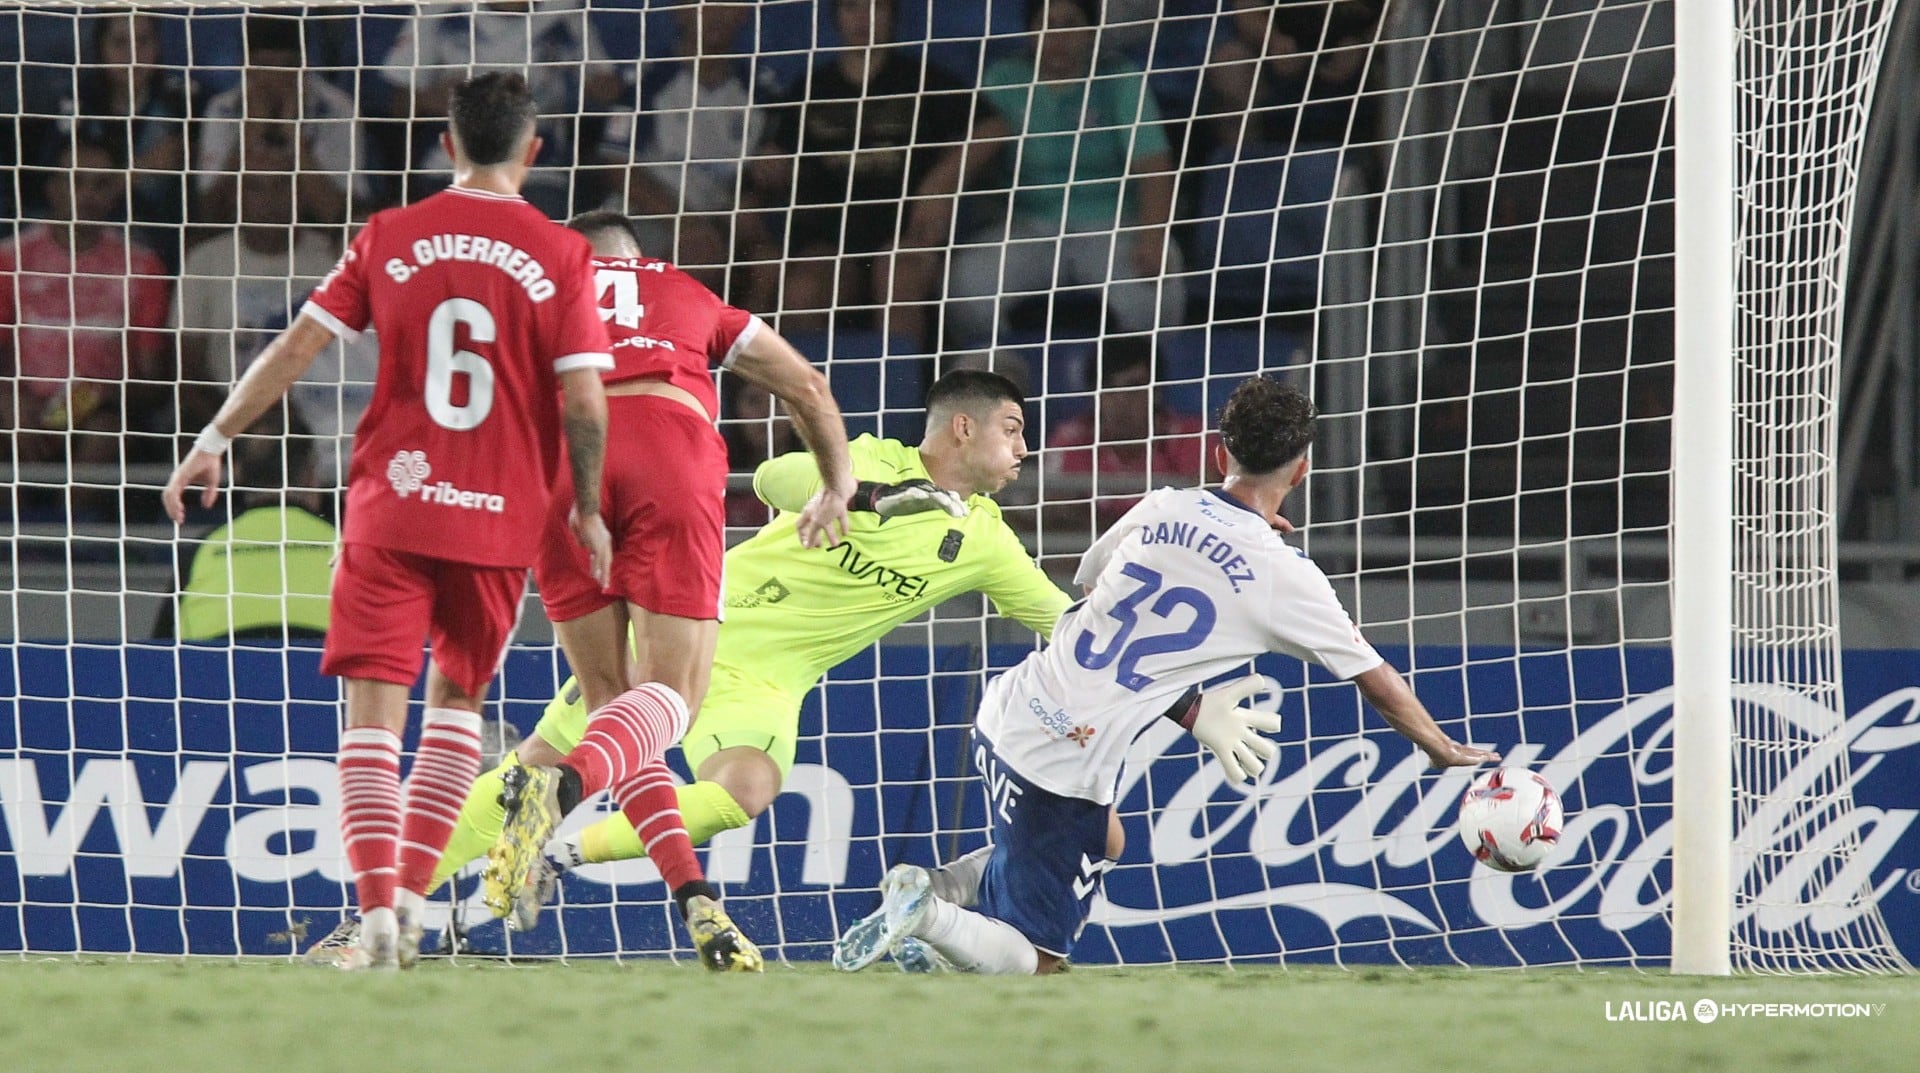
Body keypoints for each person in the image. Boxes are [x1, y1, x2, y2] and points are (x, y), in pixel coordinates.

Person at [160, 72, 628, 973]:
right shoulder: (563, 255)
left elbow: (295, 347)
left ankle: (375, 915)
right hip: (496, 520)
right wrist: (586, 506)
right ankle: (412, 896)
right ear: (533, 152)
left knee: (371, 724)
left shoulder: (389, 234)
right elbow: (584, 402)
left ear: (446, 145)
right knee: (457, 711)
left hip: (391, 506)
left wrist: (215, 437)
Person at [832, 376, 1498, 975]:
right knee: (1038, 960)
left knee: (1108, 836)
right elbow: (1374, 677)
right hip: (1060, 759)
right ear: (1301, 470)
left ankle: (937, 885)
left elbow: (1090, 585)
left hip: (1009, 707)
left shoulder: (1163, 505)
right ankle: (929, 917)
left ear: (1218, 455)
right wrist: (1438, 745)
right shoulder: (1287, 577)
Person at [419, 370, 1071, 938]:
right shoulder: (870, 457)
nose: (1022, 449)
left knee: (745, 790)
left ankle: (556, 856)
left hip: (765, 684)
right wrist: (859, 493)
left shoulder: (987, 542)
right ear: (963, 427)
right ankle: (387, 897)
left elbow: (1067, 621)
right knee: (534, 769)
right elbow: (771, 476)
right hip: (685, 632)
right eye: (1012, 430)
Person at [472, 209, 855, 972]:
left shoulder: (533, 299)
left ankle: (695, 900)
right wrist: (837, 482)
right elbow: (805, 384)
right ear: (636, 258)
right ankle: (558, 787)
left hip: (557, 461)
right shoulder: (685, 292)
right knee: (671, 700)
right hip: (663, 445)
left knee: (618, 710)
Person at [746, 0, 1005, 342]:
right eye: (851, 8)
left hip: (903, 229)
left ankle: (899, 393)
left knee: (899, 275)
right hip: (830, 234)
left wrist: (942, 181)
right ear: (836, 17)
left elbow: (993, 126)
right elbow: (777, 156)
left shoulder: (920, 78)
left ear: (892, 16)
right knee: (804, 291)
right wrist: (771, 170)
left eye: (876, 9)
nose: (863, 19)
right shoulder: (814, 86)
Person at [942, 0, 1183, 348]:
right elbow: (972, 154)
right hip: (1026, 225)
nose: (1058, 36)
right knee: (966, 288)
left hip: (1111, 224)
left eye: (1070, 23)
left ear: (1090, 32)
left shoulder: (1119, 77)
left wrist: (1153, 237)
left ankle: (1138, 388)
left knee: (1156, 292)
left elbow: (1154, 164)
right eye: (1048, 23)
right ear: (1030, 31)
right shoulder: (1004, 78)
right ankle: (999, 379)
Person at [0, 139, 172, 471]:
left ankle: (76, 521)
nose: (88, 195)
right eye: (77, 181)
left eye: (101, 184)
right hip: (19, 404)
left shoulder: (142, 266)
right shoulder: (9, 259)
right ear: (52, 188)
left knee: (105, 435)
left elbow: (153, 381)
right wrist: (9, 401)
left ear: (115, 193)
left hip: (105, 412)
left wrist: (105, 394)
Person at [378, 0, 623, 218]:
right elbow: (398, 104)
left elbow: (604, 84)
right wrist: (443, 99)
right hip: (451, 167)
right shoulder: (440, 9)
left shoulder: (564, 11)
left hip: (539, 169)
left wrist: (606, 86)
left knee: (539, 253)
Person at [156, 418, 335, 642]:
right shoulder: (344, 544)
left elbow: (160, 649)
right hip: (321, 669)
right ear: (312, 474)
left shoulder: (203, 549)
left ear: (238, 474)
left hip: (214, 669)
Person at [194, 12, 368, 225]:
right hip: (241, 236)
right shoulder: (223, 108)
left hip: (318, 239)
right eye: (265, 65)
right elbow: (209, 214)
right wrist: (248, 137)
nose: (276, 77)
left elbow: (341, 217)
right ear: (246, 66)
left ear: (305, 65)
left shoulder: (336, 108)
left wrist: (294, 136)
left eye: (287, 66)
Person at [1044, 335, 1208, 532]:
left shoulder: (1191, 436)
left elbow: (1206, 513)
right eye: (1109, 387)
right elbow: (1052, 515)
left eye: (1134, 386)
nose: (1121, 400)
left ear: (1156, 392)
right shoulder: (1072, 439)